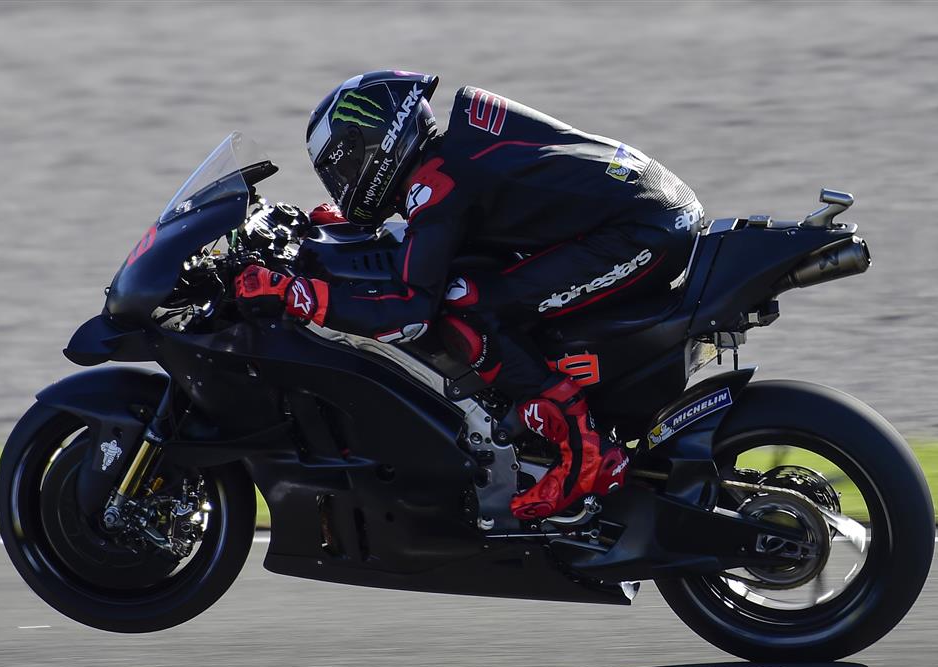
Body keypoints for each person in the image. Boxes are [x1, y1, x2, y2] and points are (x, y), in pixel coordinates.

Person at [236, 70, 705, 520]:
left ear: (380, 144)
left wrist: (300, 295)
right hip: (649, 208)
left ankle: (584, 451)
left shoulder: (437, 182)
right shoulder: (448, 160)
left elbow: (412, 313)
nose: (345, 184)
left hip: (644, 232)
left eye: (347, 166)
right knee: (470, 282)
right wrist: (348, 225)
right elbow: (452, 227)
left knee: (468, 303)